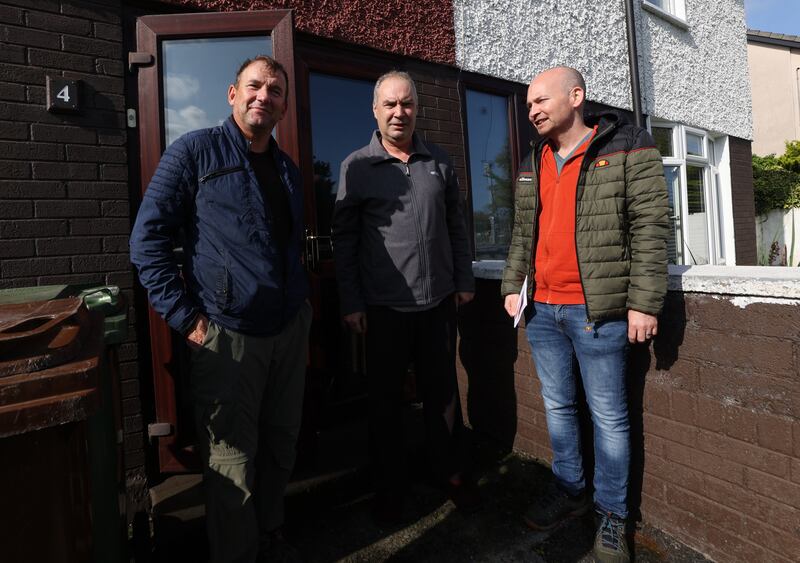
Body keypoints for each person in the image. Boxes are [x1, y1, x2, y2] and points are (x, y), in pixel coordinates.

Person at [130, 55, 311, 563]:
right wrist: (187, 318)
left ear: (283, 106)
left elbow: (288, 246)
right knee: (231, 459)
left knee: (281, 444)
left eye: (275, 91)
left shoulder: (287, 170)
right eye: (254, 86)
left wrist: (302, 308)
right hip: (227, 335)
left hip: (287, 329)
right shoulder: (195, 152)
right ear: (232, 94)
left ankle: (271, 536)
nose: (264, 96)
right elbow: (147, 244)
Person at [501, 66, 669, 563]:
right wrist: (513, 284)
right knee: (558, 406)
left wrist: (644, 301)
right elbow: (521, 231)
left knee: (610, 418)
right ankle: (570, 488)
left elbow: (651, 225)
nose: (531, 109)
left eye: (540, 99)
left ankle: (613, 515)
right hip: (543, 311)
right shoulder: (535, 159)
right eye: (528, 102)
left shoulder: (628, 146)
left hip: (600, 313)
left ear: (576, 97)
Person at [331, 70, 479, 523]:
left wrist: (465, 279)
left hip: (437, 303)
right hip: (383, 307)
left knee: (443, 396)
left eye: (407, 104)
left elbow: (456, 225)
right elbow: (345, 240)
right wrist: (352, 301)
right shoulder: (357, 166)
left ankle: (448, 473)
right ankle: (390, 488)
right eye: (391, 104)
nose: (400, 112)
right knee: (385, 403)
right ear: (375, 110)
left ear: (417, 108)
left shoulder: (439, 161)